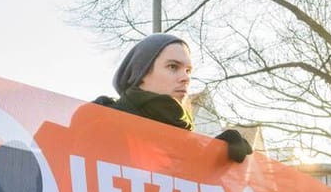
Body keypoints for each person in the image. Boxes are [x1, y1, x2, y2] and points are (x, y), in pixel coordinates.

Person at [92, 34, 251, 161]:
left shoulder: (189, 144)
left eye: (188, 70)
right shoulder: (101, 121)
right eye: (173, 67)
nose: (185, 78)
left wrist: (217, 161)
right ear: (140, 74)